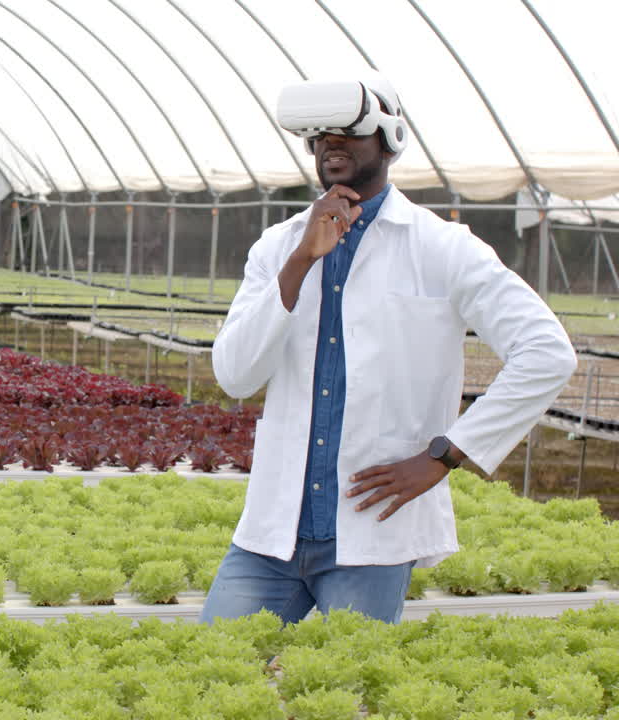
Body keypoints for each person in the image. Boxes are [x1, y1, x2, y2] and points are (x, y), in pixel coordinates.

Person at [202, 73, 576, 625]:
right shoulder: (279, 248)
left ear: (389, 139)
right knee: (216, 678)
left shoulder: (443, 247)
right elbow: (234, 374)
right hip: (271, 533)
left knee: (347, 693)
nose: (331, 145)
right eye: (321, 135)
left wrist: (446, 454)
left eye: (348, 132)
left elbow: (547, 352)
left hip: (372, 532)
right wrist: (301, 260)